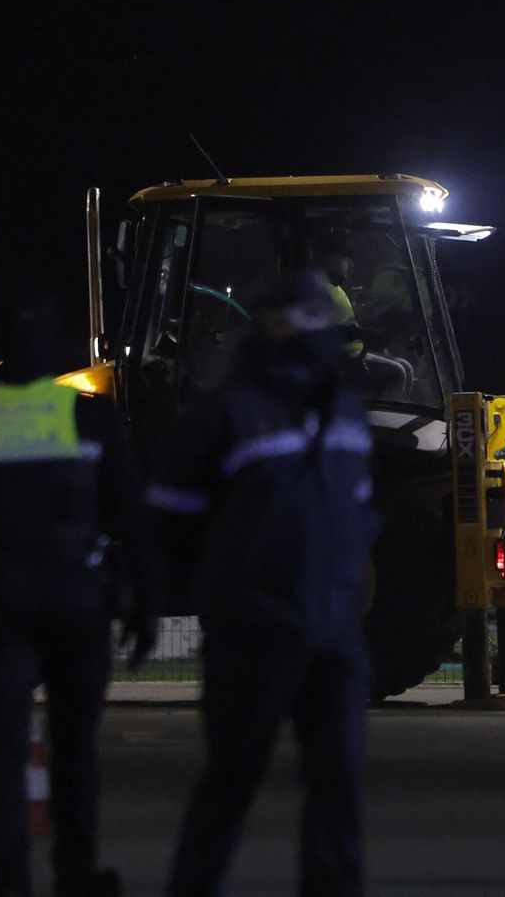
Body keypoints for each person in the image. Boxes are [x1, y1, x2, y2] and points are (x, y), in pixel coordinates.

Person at [0, 294, 154, 897]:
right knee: (75, 748)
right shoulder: (89, 418)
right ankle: (75, 873)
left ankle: (11, 877)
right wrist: (141, 602)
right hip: (75, 601)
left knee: (2, 749)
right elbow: (132, 519)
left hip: (0, 604)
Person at [150, 270, 379, 897]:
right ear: (272, 326)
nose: (323, 334)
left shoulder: (346, 413)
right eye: (307, 319)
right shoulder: (221, 415)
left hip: (334, 638)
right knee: (231, 781)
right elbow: (171, 528)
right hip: (253, 635)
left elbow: (357, 514)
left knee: (339, 791)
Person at [311, 230, 414, 397]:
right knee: (396, 373)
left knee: (404, 366)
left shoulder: (334, 288)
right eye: (345, 259)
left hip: (351, 354)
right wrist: (361, 334)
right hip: (335, 359)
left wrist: (370, 334)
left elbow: (346, 322)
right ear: (329, 258)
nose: (350, 265)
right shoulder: (314, 288)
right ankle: (380, 420)